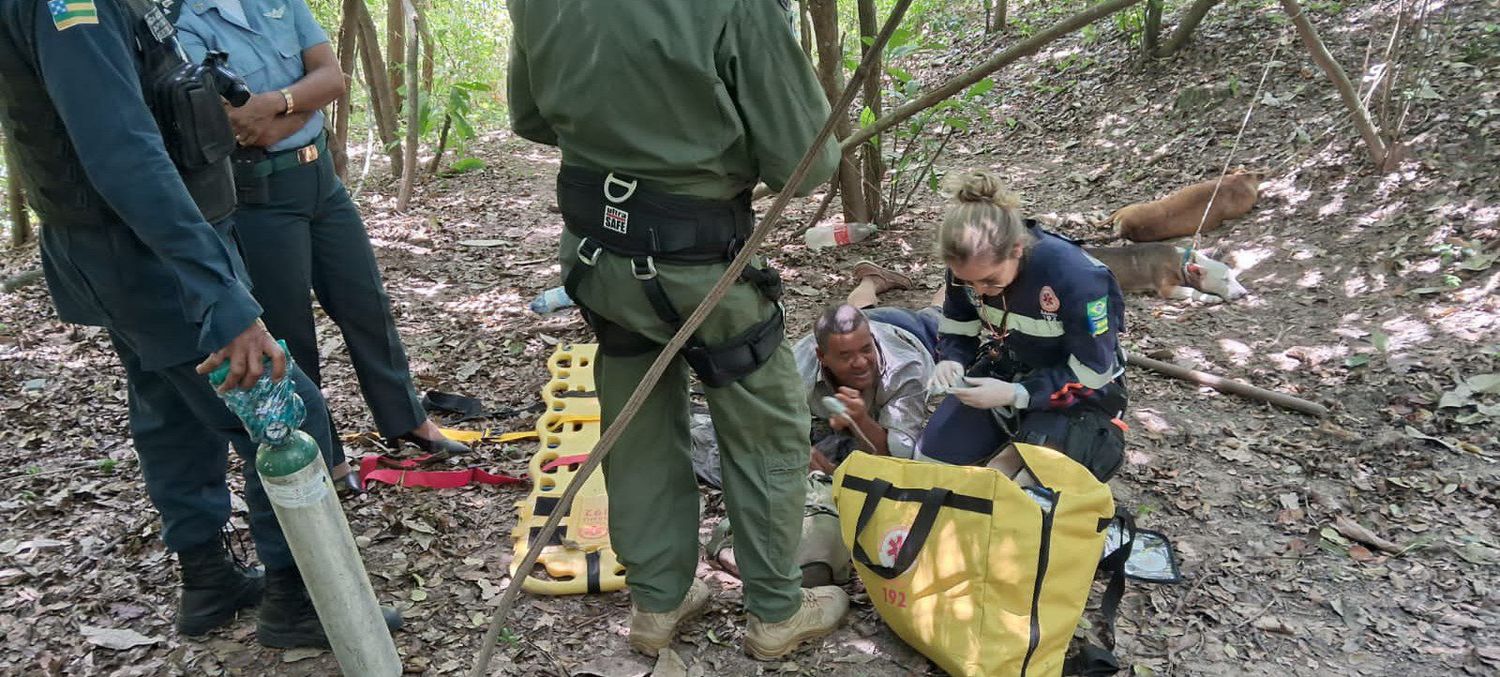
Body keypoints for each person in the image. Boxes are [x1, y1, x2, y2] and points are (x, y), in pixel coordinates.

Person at [0, 0, 396, 647]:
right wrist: (218, 294)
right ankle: (300, 599)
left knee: (171, 412)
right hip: (148, 260)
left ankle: (208, 580)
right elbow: (121, 150)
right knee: (286, 407)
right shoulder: (73, 9)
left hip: (131, 254)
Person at [508, 0, 848, 661]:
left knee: (636, 415)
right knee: (765, 418)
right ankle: (777, 609)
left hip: (596, 257)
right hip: (698, 264)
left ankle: (658, 600)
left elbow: (529, 117)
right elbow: (805, 164)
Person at [172, 0, 469, 493]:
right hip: (258, 194)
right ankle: (325, 455)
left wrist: (273, 104)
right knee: (291, 329)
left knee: (365, 303)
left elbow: (333, 80)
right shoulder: (185, 24)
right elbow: (233, 129)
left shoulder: (279, 3)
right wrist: (298, 103)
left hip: (321, 182)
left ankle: (407, 419)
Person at [918, 171, 1129, 481]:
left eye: (989, 281)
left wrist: (1018, 393)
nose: (978, 291)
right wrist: (951, 359)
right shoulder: (966, 269)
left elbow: (1093, 372)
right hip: (1008, 367)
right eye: (967, 282)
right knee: (929, 462)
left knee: (1016, 488)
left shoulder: (1076, 279)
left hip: (1076, 393)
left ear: (1017, 249)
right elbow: (958, 326)